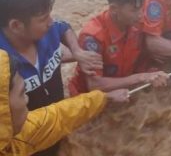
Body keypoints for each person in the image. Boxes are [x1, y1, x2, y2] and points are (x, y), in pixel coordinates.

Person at [0, 0, 102, 156]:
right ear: (16, 25)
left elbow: (64, 27)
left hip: (57, 123)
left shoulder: (46, 31)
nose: (51, 22)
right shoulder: (4, 67)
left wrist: (77, 52)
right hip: (26, 141)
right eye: (43, 18)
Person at [0, 49, 129, 156]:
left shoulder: (15, 134)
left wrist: (103, 98)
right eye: (22, 93)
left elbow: (59, 116)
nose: (27, 99)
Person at [68, 0, 169, 96]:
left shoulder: (137, 23)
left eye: (141, 8)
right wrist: (142, 77)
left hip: (125, 91)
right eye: (134, 10)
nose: (140, 15)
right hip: (89, 100)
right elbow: (94, 85)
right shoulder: (93, 37)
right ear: (114, 9)